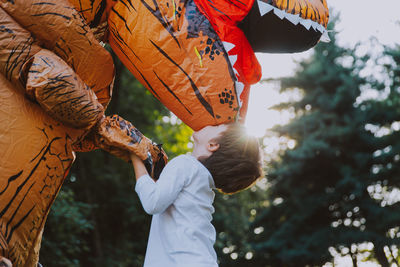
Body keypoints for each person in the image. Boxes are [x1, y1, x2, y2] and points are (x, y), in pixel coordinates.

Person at [130, 123, 263, 267]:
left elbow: (152, 201)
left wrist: (134, 153)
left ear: (213, 144)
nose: (210, 122)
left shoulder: (185, 163)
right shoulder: (202, 182)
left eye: (217, 125)